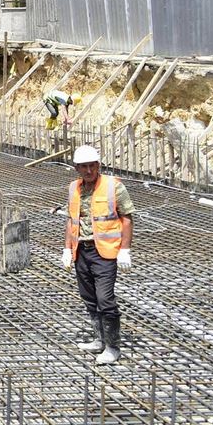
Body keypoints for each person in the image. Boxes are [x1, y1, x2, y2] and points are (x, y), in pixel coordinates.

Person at [61, 145, 134, 364]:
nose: (89, 170)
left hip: (105, 253)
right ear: (77, 168)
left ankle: (112, 347)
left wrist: (125, 250)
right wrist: (66, 248)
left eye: (92, 166)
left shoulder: (114, 187)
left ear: (98, 165)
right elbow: (71, 220)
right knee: (89, 298)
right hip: (81, 251)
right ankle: (99, 339)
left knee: (105, 299)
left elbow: (127, 217)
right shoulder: (73, 187)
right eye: (84, 167)